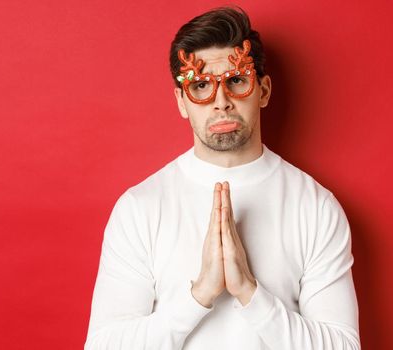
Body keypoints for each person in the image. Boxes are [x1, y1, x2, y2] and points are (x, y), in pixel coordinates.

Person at [83, 6, 360, 350]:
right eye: (200, 86)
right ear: (182, 102)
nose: (221, 101)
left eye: (237, 81)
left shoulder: (316, 207)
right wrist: (199, 295)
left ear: (264, 90)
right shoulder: (139, 208)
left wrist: (249, 291)